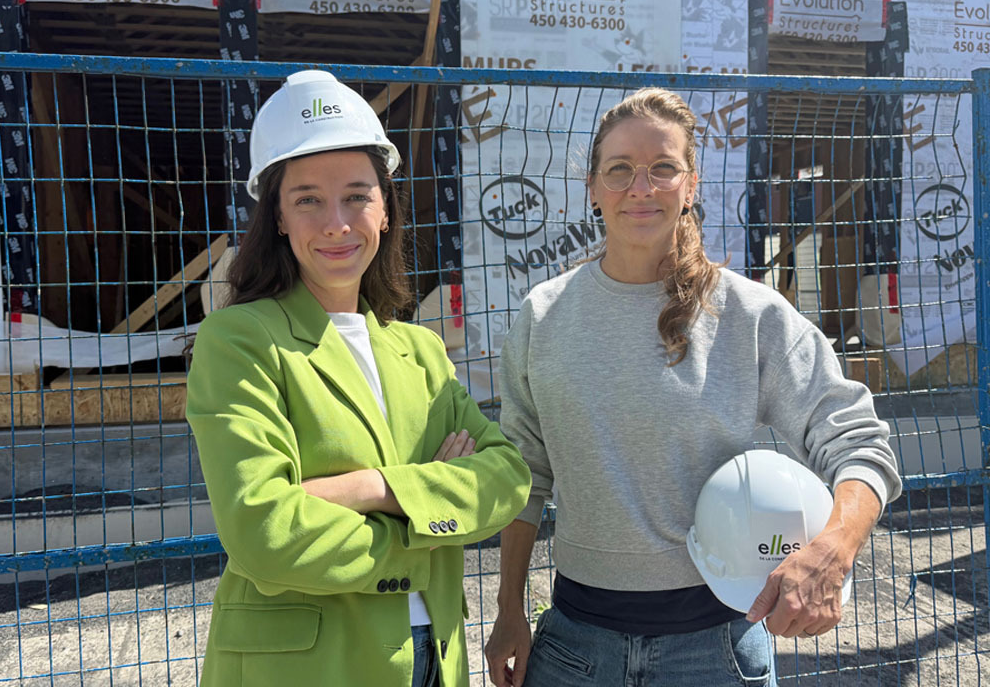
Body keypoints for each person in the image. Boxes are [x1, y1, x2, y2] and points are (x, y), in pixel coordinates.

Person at [483, 87, 901, 687]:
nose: (641, 187)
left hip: (716, 653)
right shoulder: (544, 318)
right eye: (620, 170)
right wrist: (507, 613)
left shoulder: (750, 316)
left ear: (692, 183)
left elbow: (859, 441)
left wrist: (835, 548)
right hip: (576, 649)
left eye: (663, 168)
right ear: (593, 188)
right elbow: (522, 479)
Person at [186, 70, 531, 687]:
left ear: (385, 207)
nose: (337, 223)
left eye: (357, 195)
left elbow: (506, 480)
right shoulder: (239, 342)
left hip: (434, 659)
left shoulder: (420, 352)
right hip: (310, 669)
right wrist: (429, 511)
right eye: (308, 199)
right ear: (280, 219)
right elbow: (264, 531)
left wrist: (370, 488)